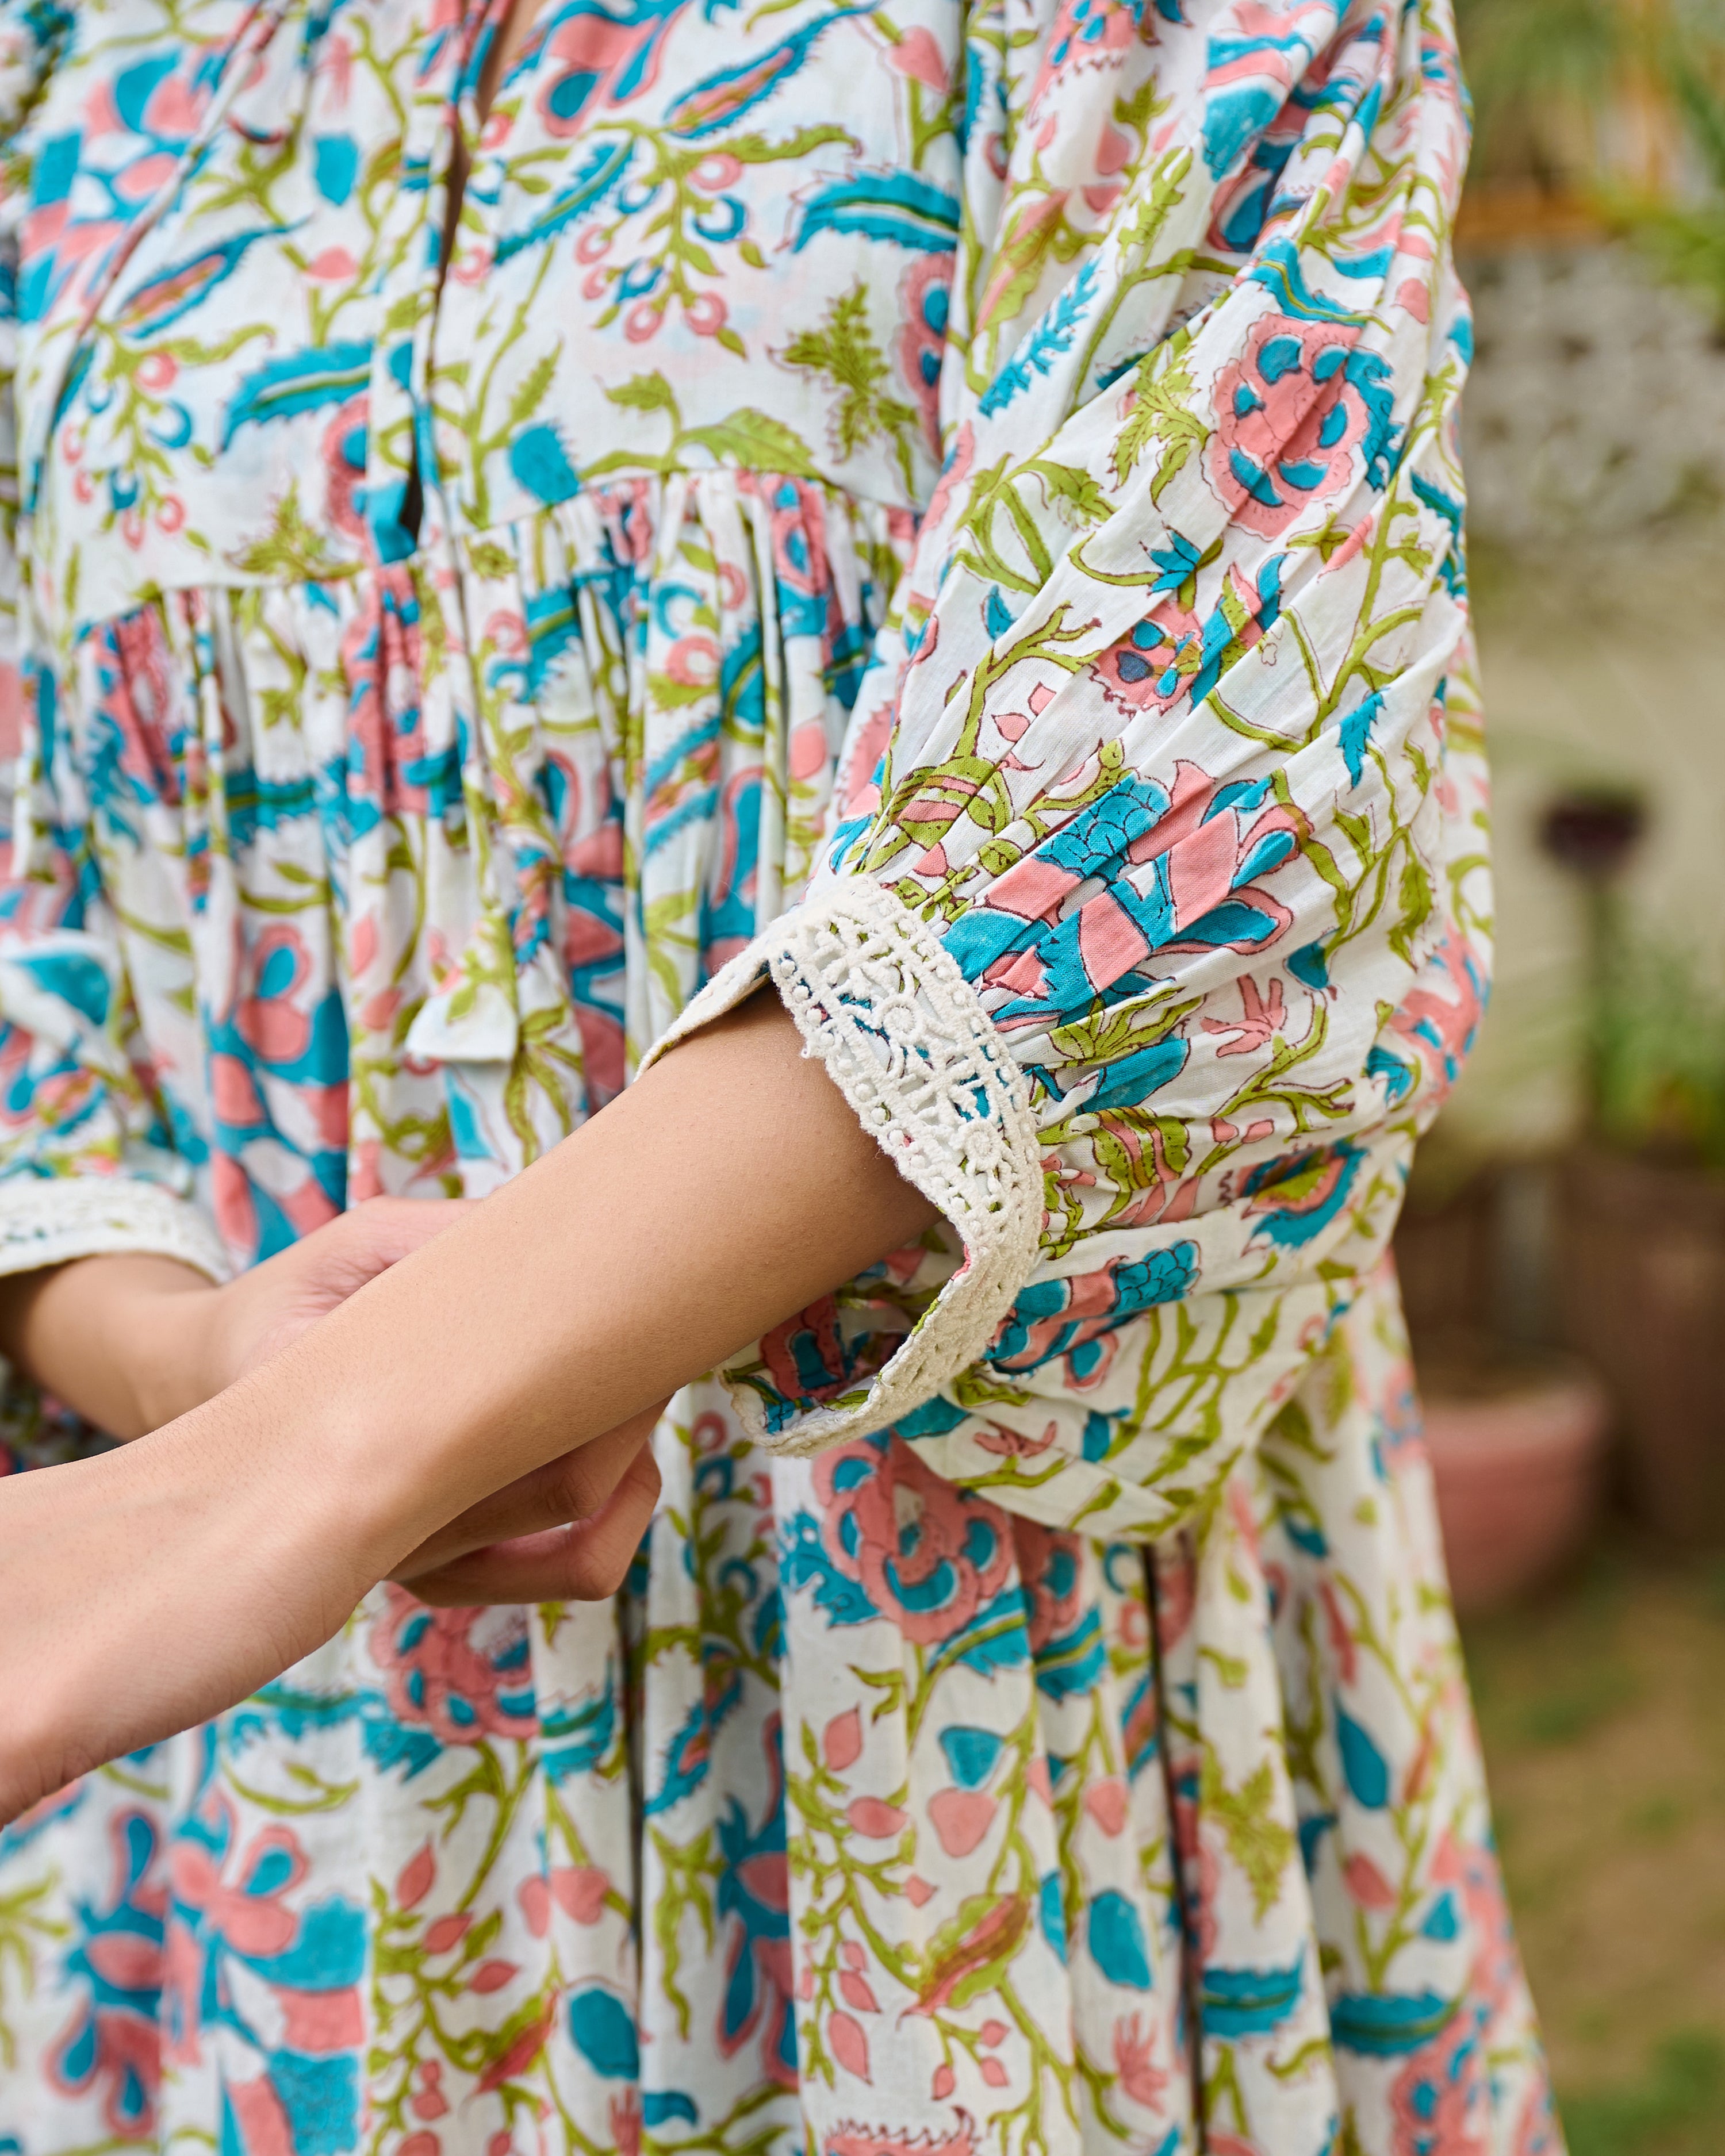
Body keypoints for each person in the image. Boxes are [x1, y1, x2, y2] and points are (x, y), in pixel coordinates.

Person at [0, 2, 1561, 2152]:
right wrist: (177, 1381)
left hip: (934, 1754)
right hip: (228, 1806)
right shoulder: (69, 70)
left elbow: (1191, 789)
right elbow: (34, 941)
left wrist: (290, 1471)